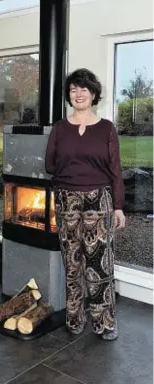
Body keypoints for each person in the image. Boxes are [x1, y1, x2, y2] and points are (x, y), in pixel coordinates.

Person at [45, 68, 125, 341]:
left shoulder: (106, 129)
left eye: (84, 89)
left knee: (99, 264)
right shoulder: (59, 128)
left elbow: (115, 169)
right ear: (69, 95)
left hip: (98, 200)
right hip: (66, 199)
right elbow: (49, 165)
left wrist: (118, 206)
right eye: (73, 90)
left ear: (93, 94)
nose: (78, 94)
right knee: (72, 263)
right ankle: (74, 318)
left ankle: (104, 323)